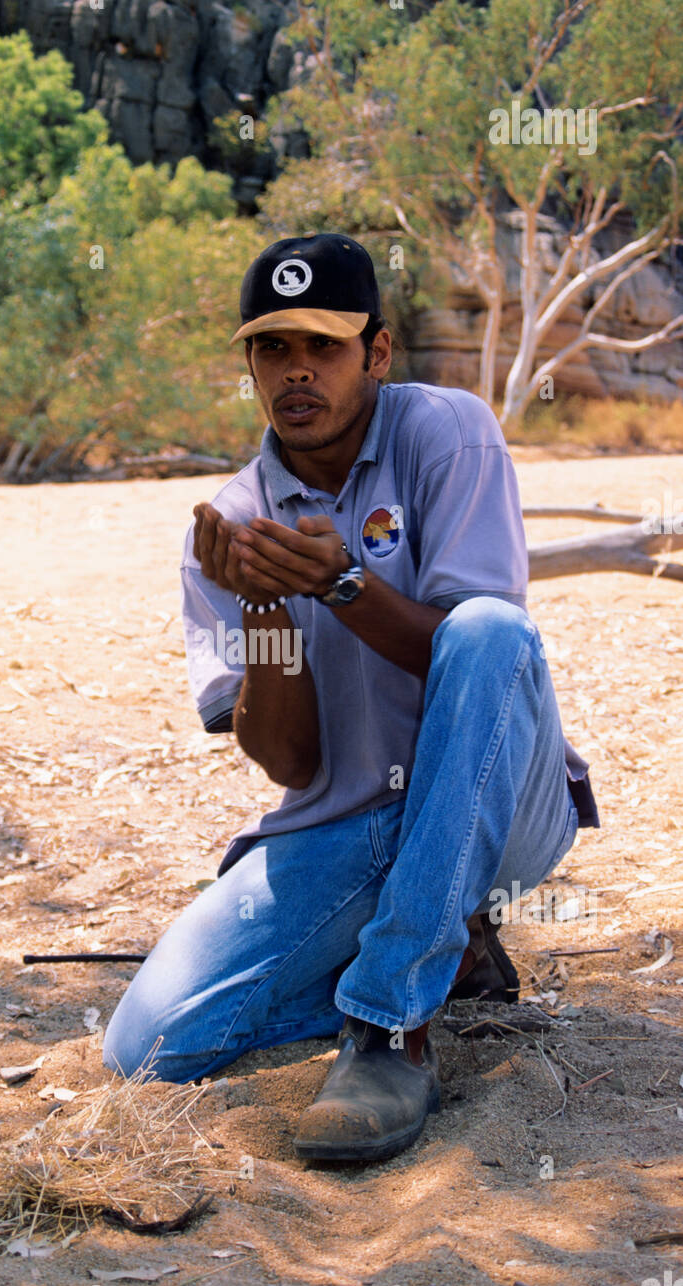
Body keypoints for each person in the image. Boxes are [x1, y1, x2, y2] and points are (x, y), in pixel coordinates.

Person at [102, 232, 599, 1163]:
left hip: (500, 799)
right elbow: (290, 766)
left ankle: (389, 1020)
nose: (297, 373)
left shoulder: (447, 432)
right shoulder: (234, 522)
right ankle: (440, 940)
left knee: (487, 628)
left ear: (374, 351)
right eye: (272, 349)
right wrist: (262, 603)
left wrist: (343, 586)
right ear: (249, 364)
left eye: (322, 347)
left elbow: (480, 660)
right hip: (353, 824)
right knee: (146, 1048)